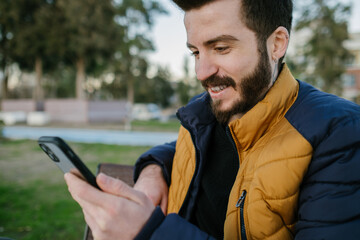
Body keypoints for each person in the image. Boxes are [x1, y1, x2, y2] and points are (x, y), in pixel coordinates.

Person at [65, 0, 360, 239]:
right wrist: (154, 169)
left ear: (277, 43)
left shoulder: (339, 131)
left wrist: (150, 233)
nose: (201, 72)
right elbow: (190, 145)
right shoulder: (212, 109)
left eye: (220, 48)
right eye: (195, 52)